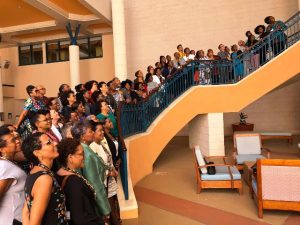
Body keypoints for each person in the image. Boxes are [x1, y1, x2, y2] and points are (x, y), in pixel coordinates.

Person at [22, 132, 67, 225]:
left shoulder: (34, 172)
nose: (55, 143)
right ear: (37, 153)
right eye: (49, 143)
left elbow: (25, 212)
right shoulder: (44, 179)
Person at [56, 138, 102, 225]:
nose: (84, 157)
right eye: (81, 154)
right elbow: (80, 218)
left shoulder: (59, 174)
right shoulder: (74, 182)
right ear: (70, 157)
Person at [71, 122, 111, 222]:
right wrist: (105, 209)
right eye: (90, 131)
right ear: (82, 136)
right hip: (93, 201)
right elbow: (94, 183)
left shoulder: (84, 149)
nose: (93, 133)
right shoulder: (86, 154)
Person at [90, 123, 121, 225]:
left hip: (110, 180)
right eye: (99, 130)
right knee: (109, 208)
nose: (102, 132)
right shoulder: (92, 147)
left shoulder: (101, 143)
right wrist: (108, 173)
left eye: (102, 130)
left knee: (114, 204)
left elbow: (107, 160)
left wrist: (113, 169)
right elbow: (96, 167)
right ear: (93, 133)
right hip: (104, 182)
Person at [0, 126, 27, 225]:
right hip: (11, 220)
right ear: (2, 149)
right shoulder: (4, 167)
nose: (17, 141)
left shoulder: (8, 163)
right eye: (12, 141)